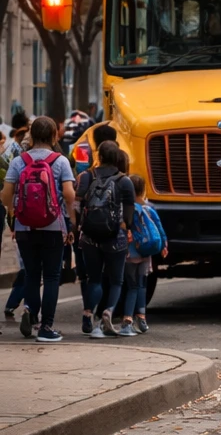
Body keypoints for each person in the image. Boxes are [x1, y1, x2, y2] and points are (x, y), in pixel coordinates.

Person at [0, 116, 77, 341]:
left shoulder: (18, 161)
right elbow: (70, 195)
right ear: (54, 136)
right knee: (52, 276)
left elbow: (6, 196)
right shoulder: (60, 161)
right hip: (53, 226)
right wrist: (70, 220)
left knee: (32, 275)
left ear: (31, 136)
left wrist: (16, 215)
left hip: (24, 227)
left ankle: (30, 313)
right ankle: (46, 328)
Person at [77, 139, 135, 338]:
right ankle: (107, 312)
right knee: (116, 280)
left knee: (94, 279)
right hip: (115, 237)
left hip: (89, 237)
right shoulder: (124, 181)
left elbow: (78, 204)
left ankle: (87, 313)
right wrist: (126, 228)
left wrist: (78, 226)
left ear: (98, 156)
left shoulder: (86, 176)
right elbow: (128, 214)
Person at [123, 174, 167, 334]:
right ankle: (141, 318)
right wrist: (163, 244)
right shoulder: (149, 208)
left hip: (129, 253)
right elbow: (159, 227)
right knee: (142, 285)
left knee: (131, 287)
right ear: (143, 190)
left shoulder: (126, 208)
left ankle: (127, 320)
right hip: (145, 252)